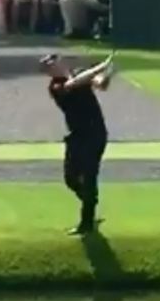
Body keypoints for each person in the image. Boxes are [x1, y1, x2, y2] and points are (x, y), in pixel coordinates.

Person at [40, 52, 114, 235]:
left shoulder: (81, 73)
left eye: (53, 62)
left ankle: (86, 223)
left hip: (95, 135)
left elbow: (101, 84)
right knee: (71, 179)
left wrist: (108, 71)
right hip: (77, 136)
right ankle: (90, 202)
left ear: (61, 62)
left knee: (89, 177)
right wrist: (101, 66)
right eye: (48, 67)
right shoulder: (56, 86)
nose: (52, 67)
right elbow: (76, 83)